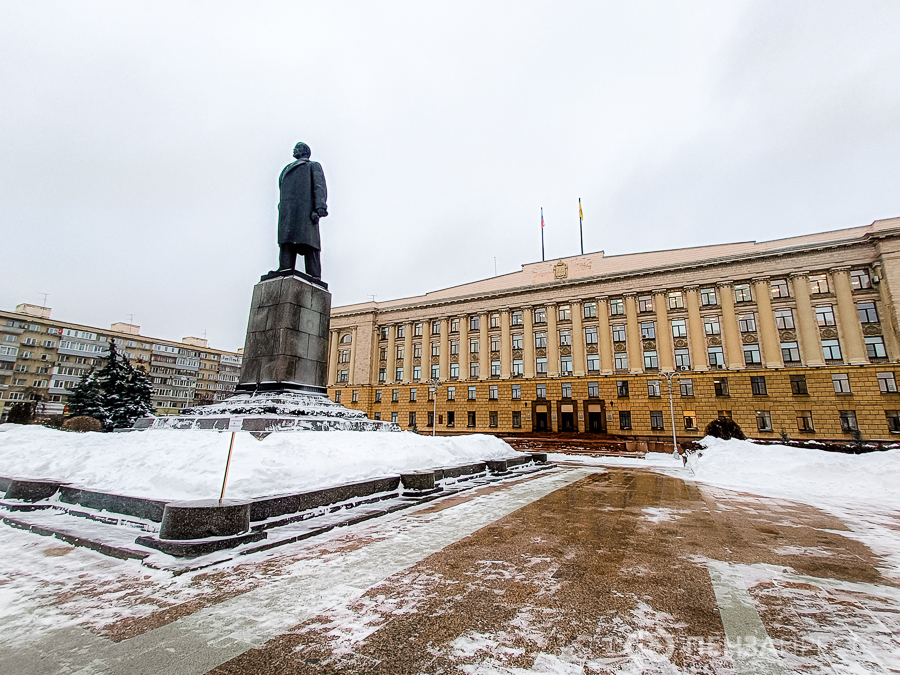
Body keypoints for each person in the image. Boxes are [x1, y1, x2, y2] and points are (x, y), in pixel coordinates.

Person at [277, 142, 328, 278]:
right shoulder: (287, 168)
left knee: (309, 243)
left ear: (305, 151)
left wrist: (320, 207)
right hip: (288, 212)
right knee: (286, 241)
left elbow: (319, 186)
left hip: (305, 211)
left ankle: (314, 275)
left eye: (297, 147)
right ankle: (284, 269)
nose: (294, 149)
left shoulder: (312, 165)